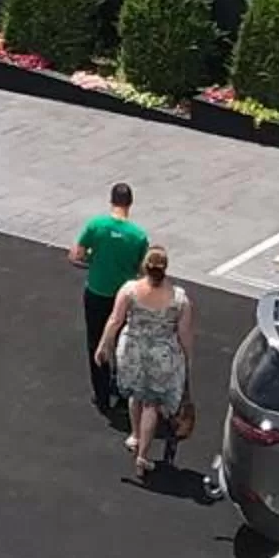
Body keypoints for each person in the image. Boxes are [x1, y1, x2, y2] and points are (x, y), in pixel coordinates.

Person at [95, 246, 196, 479]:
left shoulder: (130, 290)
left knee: (136, 394)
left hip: (132, 349)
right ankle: (142, 455)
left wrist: (103, 345)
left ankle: (135, 435)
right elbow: (185, 334)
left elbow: (115, 320)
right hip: (161, 354)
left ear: (144, 266)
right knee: (152, 404)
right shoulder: (180, 299)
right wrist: (188, 359)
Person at [71, 181, 149, 419]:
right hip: (123, 297)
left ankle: (102, 394)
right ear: (130, 203)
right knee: (124, 344)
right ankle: (125, 393)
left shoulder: (96, 226)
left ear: (111, 201)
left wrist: (95, 262)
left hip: (96, 293)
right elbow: (142, 269)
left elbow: (76, 255)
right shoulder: (138, 235)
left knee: (96, 342)